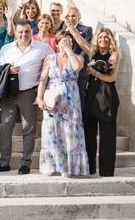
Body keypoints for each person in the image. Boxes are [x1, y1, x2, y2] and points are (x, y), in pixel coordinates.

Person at [0, 19, 53, 174]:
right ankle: (4, 162)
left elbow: (56, 62)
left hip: (29, 92)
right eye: (20, 32)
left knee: (28, 128)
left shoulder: (43, 48)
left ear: (31, 32)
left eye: (27, 31)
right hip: (9, 93)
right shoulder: (6, 48)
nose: (24, 35)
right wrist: (8, 70)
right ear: (15, 33)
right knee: (5, 128)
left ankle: (25, 163)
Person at [36, 31, 89, 177]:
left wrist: (69, 50)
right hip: (53, 99)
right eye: (63, 41)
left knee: (71, 131)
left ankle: (71, 167)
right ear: (57, 43)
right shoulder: (50, 58)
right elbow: (42, 79)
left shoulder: (77, 57)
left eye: (69, 41)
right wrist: (39, 98)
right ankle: (52, 166)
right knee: (52, 130)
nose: (66, 43)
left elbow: (77, 67)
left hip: (71, 99)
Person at [83, 27, 120, 177]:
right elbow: (81, 42)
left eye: (106, 37)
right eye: (100, 37)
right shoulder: (93, 52)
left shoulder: (114, 55)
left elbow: (111, 78)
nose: (103, 40)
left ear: (110, 39)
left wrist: (95, 73)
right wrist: (71, 26)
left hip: (107, 95)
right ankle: (89, 168)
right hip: (92, 95)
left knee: (107, 136)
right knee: (88, 133)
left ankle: (106, 171)